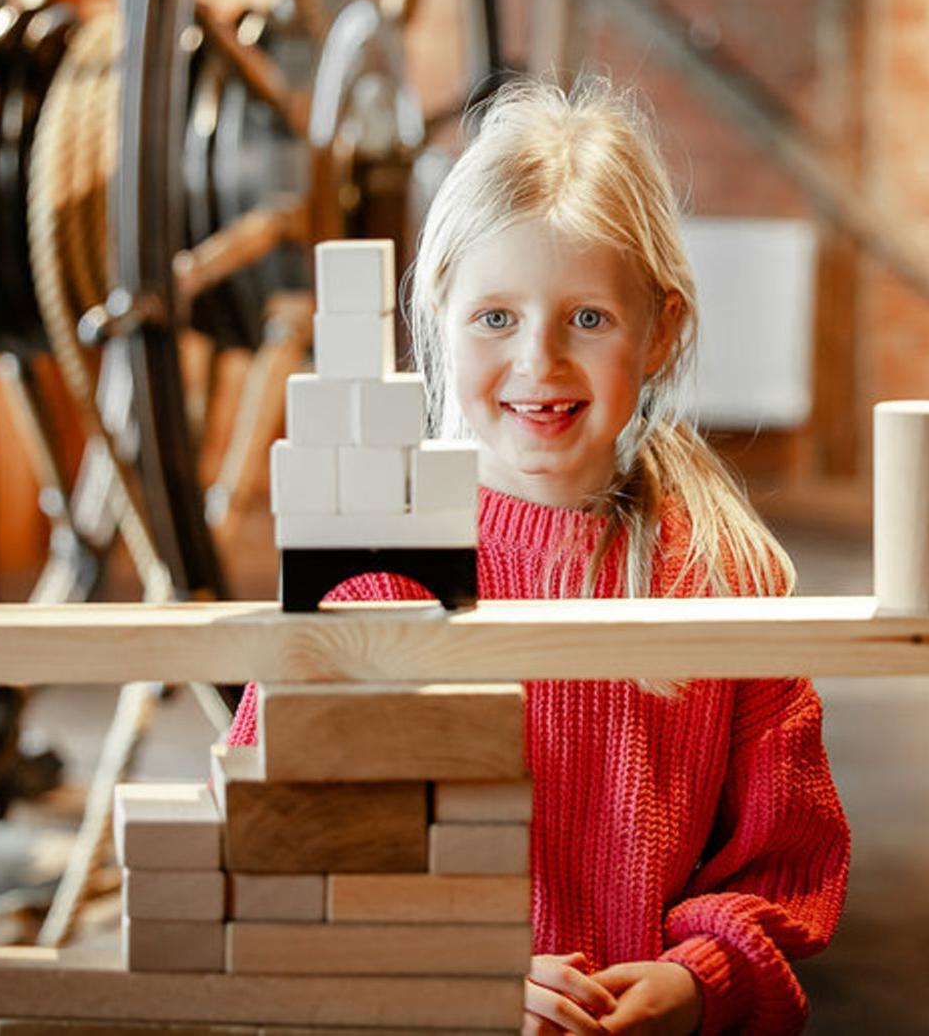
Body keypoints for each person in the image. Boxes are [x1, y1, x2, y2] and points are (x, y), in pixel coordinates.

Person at [226, 77, 850, 1035]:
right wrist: (453, 975)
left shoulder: (725, 577)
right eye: (495, 318)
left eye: (588, 319)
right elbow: (275, 856)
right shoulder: (371, 572)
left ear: (660, 331)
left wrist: (695, 980)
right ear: (438, 314)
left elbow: (782, 856)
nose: (539, 365)